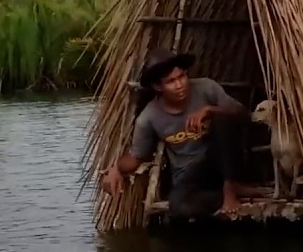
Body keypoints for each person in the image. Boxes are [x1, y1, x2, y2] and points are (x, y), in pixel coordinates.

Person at [102, 48, 251, 218]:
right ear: (158, 87)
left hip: (223, 162)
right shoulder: (149, 117)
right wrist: (116, 169)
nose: (180, 85)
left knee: (222, 117)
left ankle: (230, 189)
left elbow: (243, 115)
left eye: (182, 77)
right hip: (192, 174)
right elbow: (136, 156)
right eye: (171, 81)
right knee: (179, 206)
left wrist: (210, 110)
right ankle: (225, 196)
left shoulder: (206, 88)